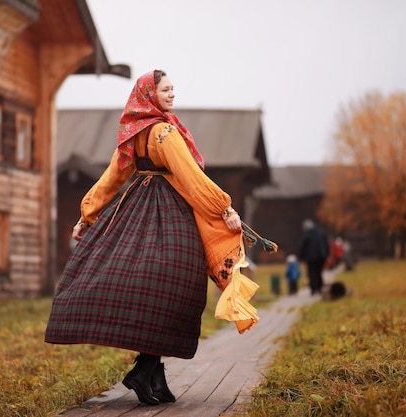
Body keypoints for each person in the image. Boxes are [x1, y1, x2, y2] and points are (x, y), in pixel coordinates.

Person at [44, 70, 261, 406]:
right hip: (168, 212)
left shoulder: (134, 131)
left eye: (173, 89)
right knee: (176, 286)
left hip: (136, 207)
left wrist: (88, 214)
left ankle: (151, 372)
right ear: (150, 94)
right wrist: (225, 208)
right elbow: (191, 177)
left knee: (156, 289)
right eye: (165, 90)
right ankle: (145, 371)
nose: (172, 94)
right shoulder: (164, 132)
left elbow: (111, 180)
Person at [299, 219, 329, 295]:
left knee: (312, 273)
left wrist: (301, 256)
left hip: (310, 257)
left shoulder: (307, 235)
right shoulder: (320, 232)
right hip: (321, 256)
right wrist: (326, 254)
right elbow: (325, 244)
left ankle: (314, 289)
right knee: (319, 272)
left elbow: (303, 247)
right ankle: (319, 288)